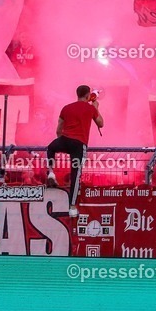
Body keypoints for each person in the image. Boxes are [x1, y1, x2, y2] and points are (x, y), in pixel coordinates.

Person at [45, 85, 103, 218]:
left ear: (77, 94)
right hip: (79, 144)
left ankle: (51, 172)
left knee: (50, 148)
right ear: (88, 96)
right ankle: (72, 206)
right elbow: (101, 123)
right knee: (76, 174)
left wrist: (62, 141)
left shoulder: (66, 108)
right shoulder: (90, 108)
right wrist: (96, 108)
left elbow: (59, 129)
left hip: (65, 139)